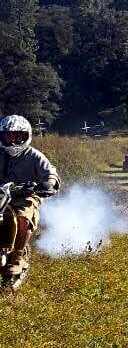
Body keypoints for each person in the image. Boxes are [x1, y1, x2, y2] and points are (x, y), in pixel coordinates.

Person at [0, 115, 60, 275]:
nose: (12, 139)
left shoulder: (34, 155)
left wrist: (49, 183)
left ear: (26, 136)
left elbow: (50, 172)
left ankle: (18, 256)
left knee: (23, 217)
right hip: (1, 194)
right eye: (8, 135)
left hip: (25, 195)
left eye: (18, 135)